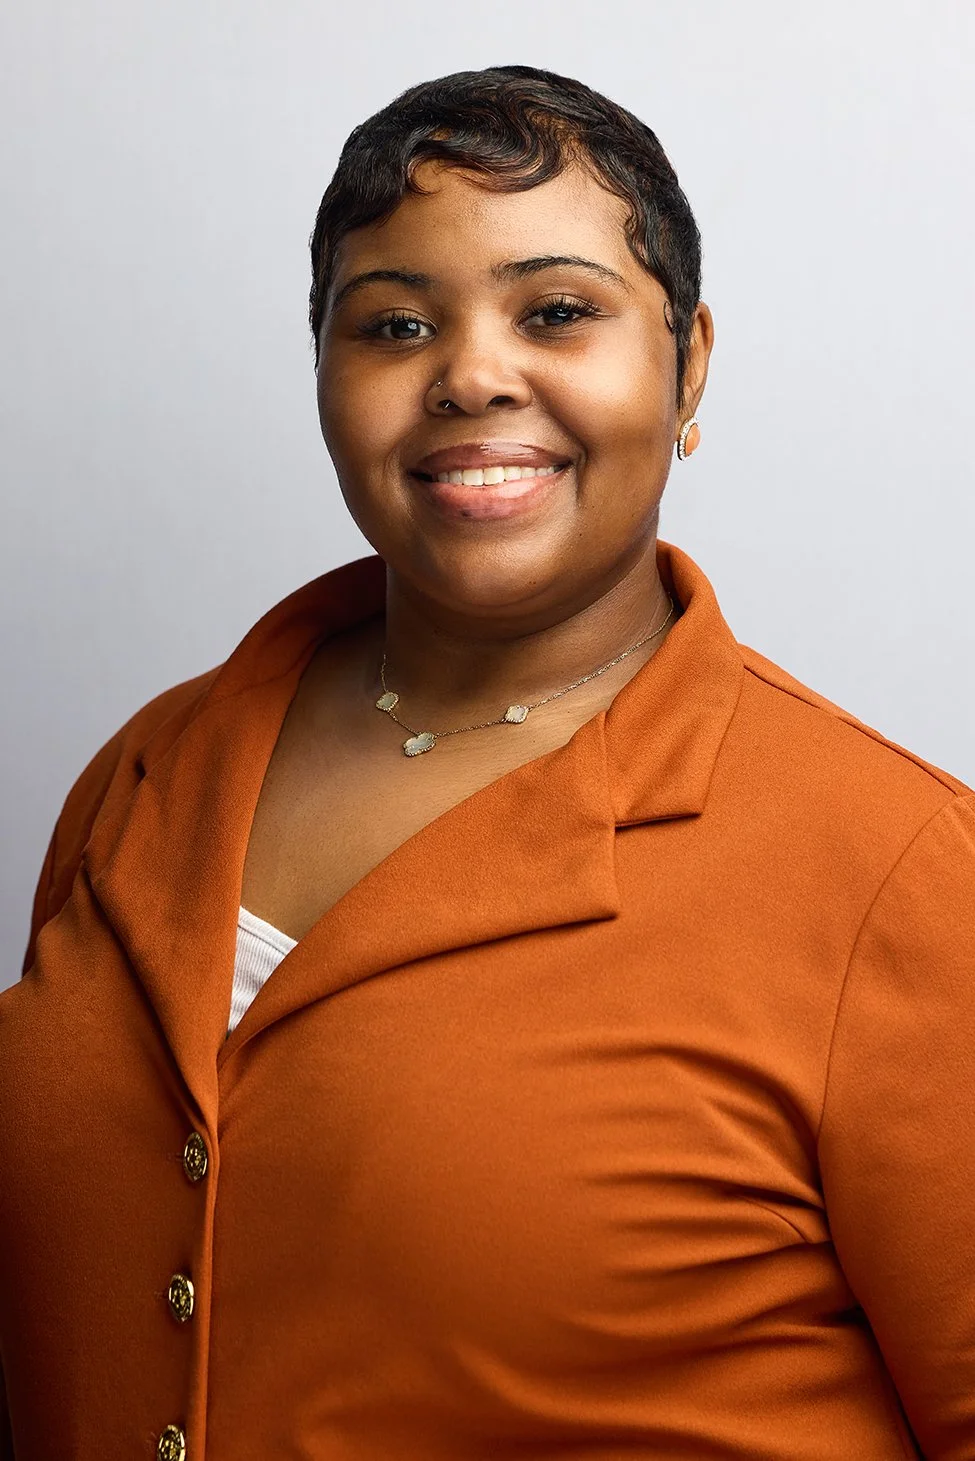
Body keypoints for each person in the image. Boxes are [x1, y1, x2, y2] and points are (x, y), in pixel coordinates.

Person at [1, 64, 973, 1461]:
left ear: (688, 363)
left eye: (558, 311)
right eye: (393, 323)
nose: (467, 372)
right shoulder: (150, 773)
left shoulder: (899, 872)